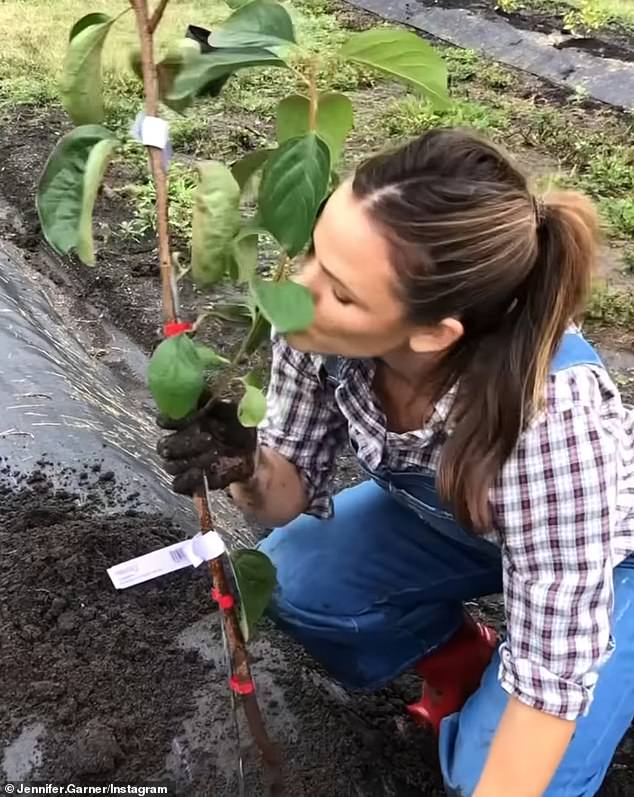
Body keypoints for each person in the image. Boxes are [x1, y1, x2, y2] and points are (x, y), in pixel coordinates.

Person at [157, 129, 634, 797]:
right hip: (463, 521)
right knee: (293, 581)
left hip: (603, 564)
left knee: (507, 778)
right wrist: (246, 466)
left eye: (344, 293)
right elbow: (285, 497)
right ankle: (467, 656)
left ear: (433, 332)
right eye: (315, 253)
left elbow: (553, 674)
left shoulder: (551, 424)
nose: (298, 290)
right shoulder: (316, 326)